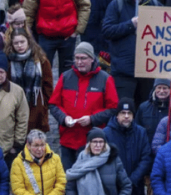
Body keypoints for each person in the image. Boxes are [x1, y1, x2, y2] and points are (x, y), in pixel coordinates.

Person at [48, 42, 119, 170]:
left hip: (93, 142)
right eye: (77, 58)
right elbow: (53, 104)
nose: (79, 62)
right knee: (68, 180)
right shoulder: (65, 77)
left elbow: (113, 108)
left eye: (83, 58)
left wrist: (92, 119)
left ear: (92, 59)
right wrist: (63, 118)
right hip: (68, 139)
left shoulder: (105, 79)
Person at [22, 0, 91, 75]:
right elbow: (28, 14)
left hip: (68, 36)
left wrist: (77, 31)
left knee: (68, 74)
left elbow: (85, 4)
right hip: (45, 37)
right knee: (43, 72)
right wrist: (28, 37)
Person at [4, 27, 53, 132]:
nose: (19, 45)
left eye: (22, 42)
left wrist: (44, 106)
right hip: (15, 107)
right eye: (16, 43)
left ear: (28, 41)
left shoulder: (41, 60)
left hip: (36, 107)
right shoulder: (7, 62)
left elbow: (48, 86)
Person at [102, 99, 152, 195]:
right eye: (123, 113)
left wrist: (132, 180)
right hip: (114, 187)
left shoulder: (141, 132)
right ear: (117, 115)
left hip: (136, 186)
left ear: (133, 115)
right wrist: (119, 181)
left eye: (129, 113)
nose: (126, 116)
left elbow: (146, 158)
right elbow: (104, 160)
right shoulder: (106, 133)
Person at [10, 129, 67, 195]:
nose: (40, 149)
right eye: (36, 146)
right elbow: (17, 188)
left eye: (42, 145)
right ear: (28, 146)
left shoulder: (55, 158)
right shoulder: (18, 163)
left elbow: (61, 182)